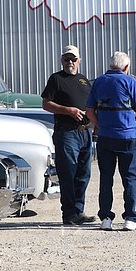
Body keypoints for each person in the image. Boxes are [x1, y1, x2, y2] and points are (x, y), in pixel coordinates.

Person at [86, 51, 136, 231]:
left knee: (106, 178)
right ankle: (130, 217)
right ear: (126, 67)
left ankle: (106, 217)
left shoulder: (98, 81)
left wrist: (100, 125)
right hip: (128, 136)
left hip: (106, 136)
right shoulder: (130, 81)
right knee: (130, 178)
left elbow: (90, 110)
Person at [41, 44, 94, 225]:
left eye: (73, 59)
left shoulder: (84, 81)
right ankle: (69, 213)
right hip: (67, 133)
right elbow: (46, 104)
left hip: (85, 132)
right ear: (61, 60)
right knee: (68, 173)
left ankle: (78, 211)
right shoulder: (56, 79)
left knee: (83, 174)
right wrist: (68, 110)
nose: (69, 62)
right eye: (66, 59)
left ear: (79, 61)